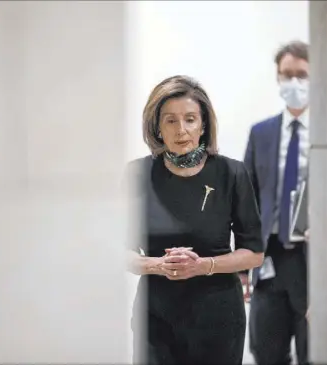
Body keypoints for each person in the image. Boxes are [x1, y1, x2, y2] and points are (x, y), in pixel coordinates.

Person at [126, 75, 264, 365]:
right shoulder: (136, 175)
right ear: (157, 128)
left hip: (218, 316)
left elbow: (254, 253)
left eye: (190, 119)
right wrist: (157, 265)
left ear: (203, 125)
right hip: (156, 318)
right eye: (171, 121)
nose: (182, 130)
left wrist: (204, 266)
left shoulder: (232, 173)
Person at [243, 40, 311, 365]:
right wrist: (242, 266)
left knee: (315, 350)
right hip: (269, 257)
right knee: (266, 350)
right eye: (286, 75)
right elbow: (247, 200)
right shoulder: (261, 133)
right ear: (277, 78)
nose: (293, 82)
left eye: (301, 74)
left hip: (313, 261)